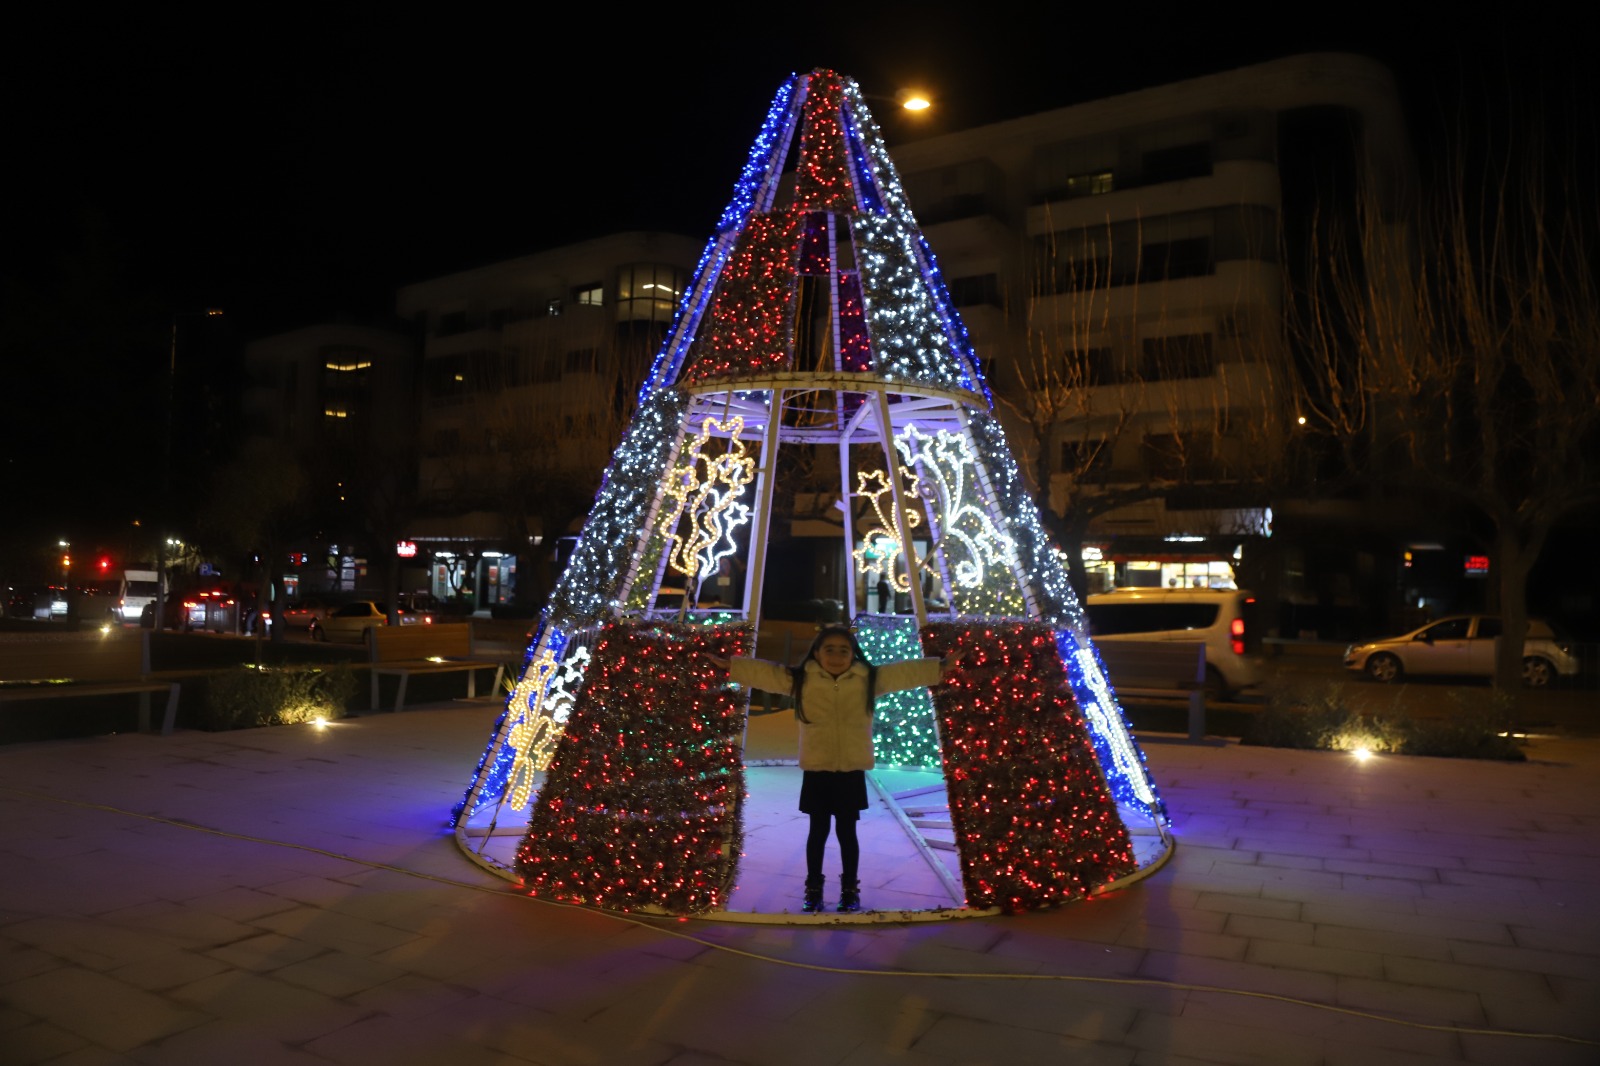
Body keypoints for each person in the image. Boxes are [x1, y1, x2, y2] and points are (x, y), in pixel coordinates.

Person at [708, 625, 957, 913]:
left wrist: (939, 667)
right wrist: (733, 667)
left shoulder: (868, 679)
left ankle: (850, 889)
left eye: (844, 650)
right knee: (818, 831)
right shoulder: (802, 680)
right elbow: (768, 674)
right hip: (818, 769)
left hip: (851, 770)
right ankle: (813, 887)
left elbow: (903, 674)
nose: (837, 656)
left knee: (847, 833)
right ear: (816, 653)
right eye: (830, 649)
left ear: (853, 654)